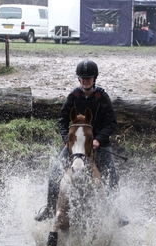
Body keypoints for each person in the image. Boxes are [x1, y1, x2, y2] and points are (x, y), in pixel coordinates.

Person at [35, 60, 127, 226]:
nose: (86, 81)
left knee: (112, 176)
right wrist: (66, 139)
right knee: (55, 172)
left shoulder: (102, 97)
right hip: (76, 145)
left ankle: (116, 212)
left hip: (99, 144)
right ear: (79, 79)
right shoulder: (74, 96)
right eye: (83, 78)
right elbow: (62, 120)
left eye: (89, 78)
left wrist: (98, 139)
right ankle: (49, 208)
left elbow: (111, 122)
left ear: (94, 79)